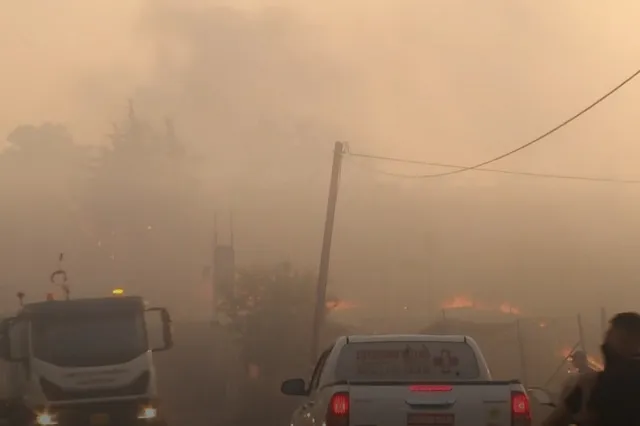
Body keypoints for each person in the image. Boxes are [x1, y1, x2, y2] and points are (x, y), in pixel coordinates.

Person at [542, 312, 640, 426]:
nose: (604, 343)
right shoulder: (591, 383)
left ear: (623, 340)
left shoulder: (592, 385)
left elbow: (555, 420)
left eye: (609, 336)